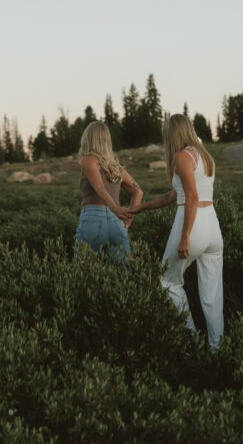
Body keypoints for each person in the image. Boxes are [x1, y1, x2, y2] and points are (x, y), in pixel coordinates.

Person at [129, 113, 223, 349]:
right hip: (212, 225)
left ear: (172, 135)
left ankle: (191, 344)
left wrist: (184, 237)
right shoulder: (204, 155)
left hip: (194, 225)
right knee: (212, 296)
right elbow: (175, 194)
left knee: (168, 282)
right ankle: (217, 350)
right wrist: (141, 208)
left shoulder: (182, 156)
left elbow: (190, 197)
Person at [75, 121, 142, 262]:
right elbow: (138, 192)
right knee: (122, 276)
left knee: (83, 272)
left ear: (87, 138)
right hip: (116, 223)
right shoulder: (116, 167)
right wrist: (127, 222)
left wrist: (116, 209)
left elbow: (99, 188)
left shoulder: (88, 160)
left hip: (93, 219)